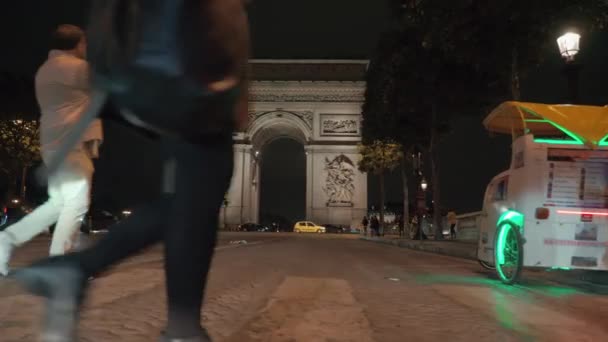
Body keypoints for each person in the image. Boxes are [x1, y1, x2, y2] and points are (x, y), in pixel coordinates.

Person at [11, 1, 251, 342]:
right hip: (188, 64)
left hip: (154, 68)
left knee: (194, 194)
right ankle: (179, 326)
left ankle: (80, 270)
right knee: (199, 189)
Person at [0, 25, 102, 276]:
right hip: (72, 144)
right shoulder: (78, 69)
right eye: (85, 44)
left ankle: (7, 239)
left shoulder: (44, 71)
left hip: (52, 144)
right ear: (78, 44)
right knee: (76, 203)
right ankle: (60, 262)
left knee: (58, 204)